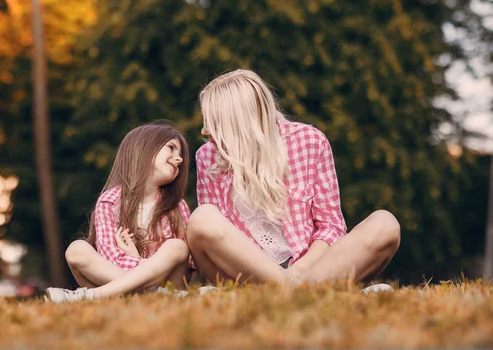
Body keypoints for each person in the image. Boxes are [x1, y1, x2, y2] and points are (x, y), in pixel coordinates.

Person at [186, 69, 401, 291]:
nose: (204, 130)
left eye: (213, 122)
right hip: (242, 275)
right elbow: (215, 240)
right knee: (202, 218)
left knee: (385, 224)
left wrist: (297, 273)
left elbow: (330, 227)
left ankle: (291, 291)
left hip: (308, 268)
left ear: (239, 122)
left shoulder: (311, 141)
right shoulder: (207, 156)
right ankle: (306, 293)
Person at [46, 123, 192, 302]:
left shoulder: (178, 206)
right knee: (76, 250)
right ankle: (148, 296)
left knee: (177, 246)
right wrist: (142, 266)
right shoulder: (110, 201)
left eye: (180, 155)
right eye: (171, 148)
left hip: (167, 283)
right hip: (153, 290)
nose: (179, 159)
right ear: (143, 149)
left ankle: (92, 296)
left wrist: (135, 258)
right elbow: (109, 254)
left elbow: (186, 261)